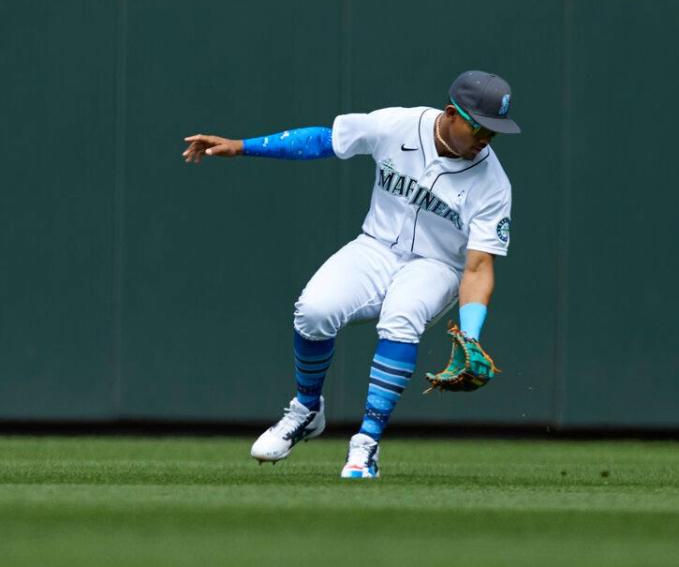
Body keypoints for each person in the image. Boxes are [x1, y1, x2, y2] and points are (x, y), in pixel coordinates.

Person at [182, 70, 520, 478]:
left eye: (494, 131)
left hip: (437, 265)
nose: (486, 138)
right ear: (451, 113)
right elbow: (326, 140)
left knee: (401, 319)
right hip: (375, 245)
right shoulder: (397, 125)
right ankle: (307, 409)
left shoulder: (493, 184)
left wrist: (470, 334)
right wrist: (242, 147)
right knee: (314, 311)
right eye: (479, 126)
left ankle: (367, 444)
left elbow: (479, 265)